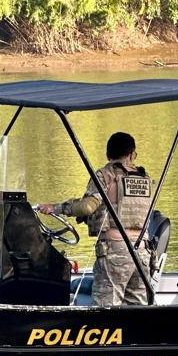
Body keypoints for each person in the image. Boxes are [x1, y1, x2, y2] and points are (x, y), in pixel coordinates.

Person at [35, 131, 153, 307]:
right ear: (131, 154)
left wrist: (56, 208)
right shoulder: (145, 179)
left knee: (105, 308)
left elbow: (87, 206)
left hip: (115, 251)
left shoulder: (104, 175)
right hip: (143, 252)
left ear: (108, 155)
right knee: (137, 308)